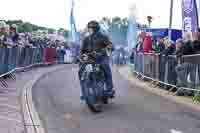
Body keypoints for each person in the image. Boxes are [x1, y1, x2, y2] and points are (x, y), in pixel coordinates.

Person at [79, 20, 115, 99]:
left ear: (96, 29)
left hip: (101, 58)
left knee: (106, 66)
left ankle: (110, 89)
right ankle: (83, 91)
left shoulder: (103, 37)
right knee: (81, 70)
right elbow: (82, 50)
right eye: (89, 28)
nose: (90, 29)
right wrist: (80, 57)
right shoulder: (86, 39)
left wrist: (107, 48)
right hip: (89, 59)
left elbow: (111, 45)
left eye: (92, 28)